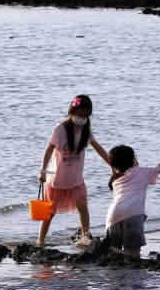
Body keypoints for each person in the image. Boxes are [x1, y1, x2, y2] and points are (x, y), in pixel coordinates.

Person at [37, 95, 110, 246]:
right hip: (57, 181)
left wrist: (113, 166)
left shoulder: (85, 131)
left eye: (85, 115)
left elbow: (99, 149)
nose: (82, 118)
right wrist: (42, 171)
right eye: (80, 114)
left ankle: (85, 237)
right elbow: (49, 150)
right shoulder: (60, 129)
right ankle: (40, 241)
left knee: (83, 207)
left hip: (76, 180)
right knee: (50, 213)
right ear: (72, 111)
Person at [104, 146, 160, 257]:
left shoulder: (115, 180)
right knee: (134, 255)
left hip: (112, 217)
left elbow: (123, 201)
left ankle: (110, 249)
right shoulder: (141, 172)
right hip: (132, 215)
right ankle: (110, 249)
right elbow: (159, 167)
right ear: (133, 160)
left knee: (117, 258)